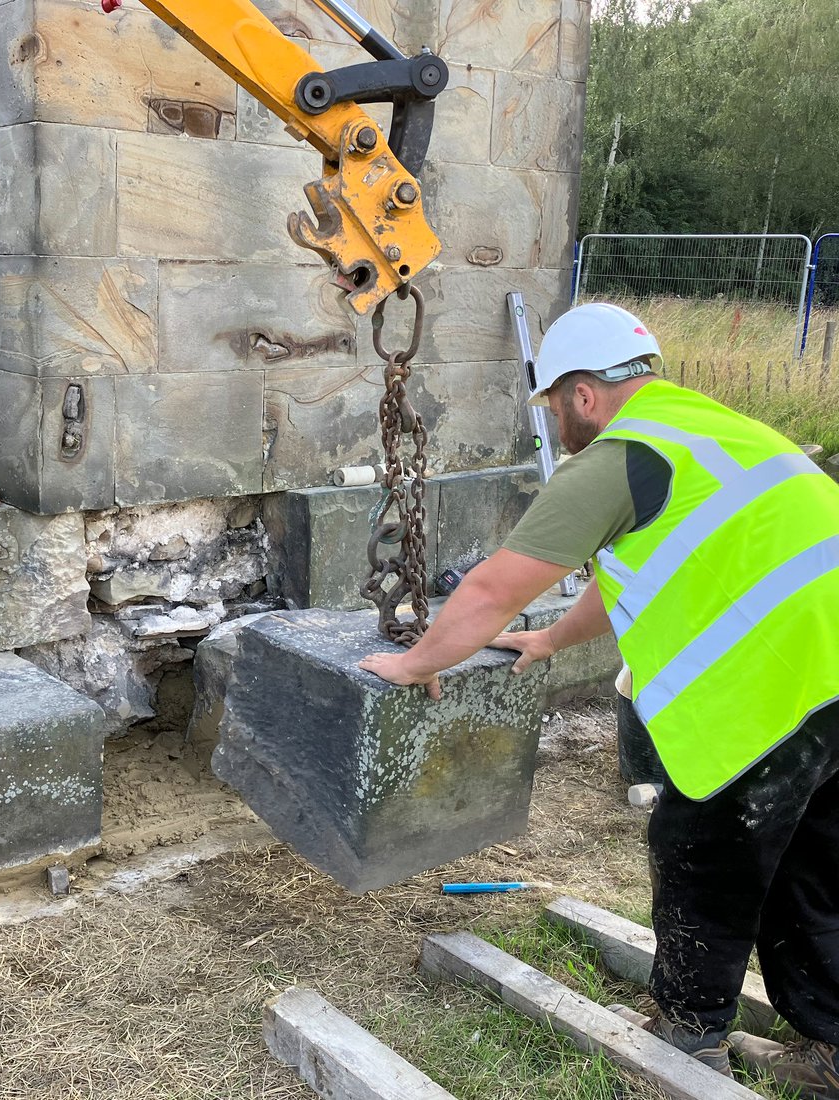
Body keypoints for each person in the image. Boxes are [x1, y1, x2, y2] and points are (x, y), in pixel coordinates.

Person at [359, 302, 839, 1094]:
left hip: (776, 691)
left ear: (583, 394)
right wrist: (548, 641)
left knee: (702, 854)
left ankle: (687, 1042)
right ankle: (830, 1046)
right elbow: (627, 579)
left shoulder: (620, 456)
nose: (555, 422)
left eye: (553, 404)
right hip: (831, 681)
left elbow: (491, 590)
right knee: (812, 863)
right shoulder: (712, 429)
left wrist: (416, 664)